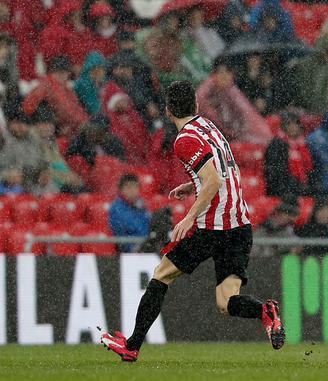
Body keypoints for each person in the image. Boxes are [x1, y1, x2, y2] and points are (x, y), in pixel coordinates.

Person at [101, 80, 285, 362]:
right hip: (239, 226)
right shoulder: (209, 127)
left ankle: (132, 345)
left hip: (212, 226)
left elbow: (213, 178)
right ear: (196, 106)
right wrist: (192, 185)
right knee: (227, 302)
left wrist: (189, 215)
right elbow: (224, 168)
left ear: (168, 110)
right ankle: (265, 311)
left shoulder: (185, 140)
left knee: (162, 275)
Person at [109, 173, 152, 252]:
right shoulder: (116, 209)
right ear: (121, 190)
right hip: (130, 250)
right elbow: (121, 233)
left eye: (135, 187)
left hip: (147, 246)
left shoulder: (142, 205)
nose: (132, 190)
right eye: (128, 187)